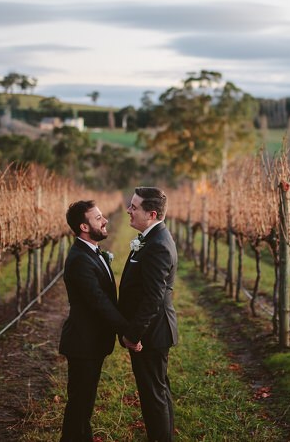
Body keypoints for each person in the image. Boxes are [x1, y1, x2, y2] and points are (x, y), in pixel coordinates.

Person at [59, 200, 141, 442]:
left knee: (84, 404)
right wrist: (129, 331)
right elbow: (99, 302)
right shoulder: (79, 260)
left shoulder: (91, 253)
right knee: (79, 405)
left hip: (92, 343)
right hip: (83, 343)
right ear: (84, 227)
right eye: (98, 218)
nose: (105, 221)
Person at [118, 187, 179, 442]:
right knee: (158, 390)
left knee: (153, 394)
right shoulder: (151, 237)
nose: (128, 210)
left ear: (151, 214)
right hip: (152, 330)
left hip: (151, 333)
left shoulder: (157, 245)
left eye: (134, 207)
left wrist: (133, 334)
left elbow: (153, 298)